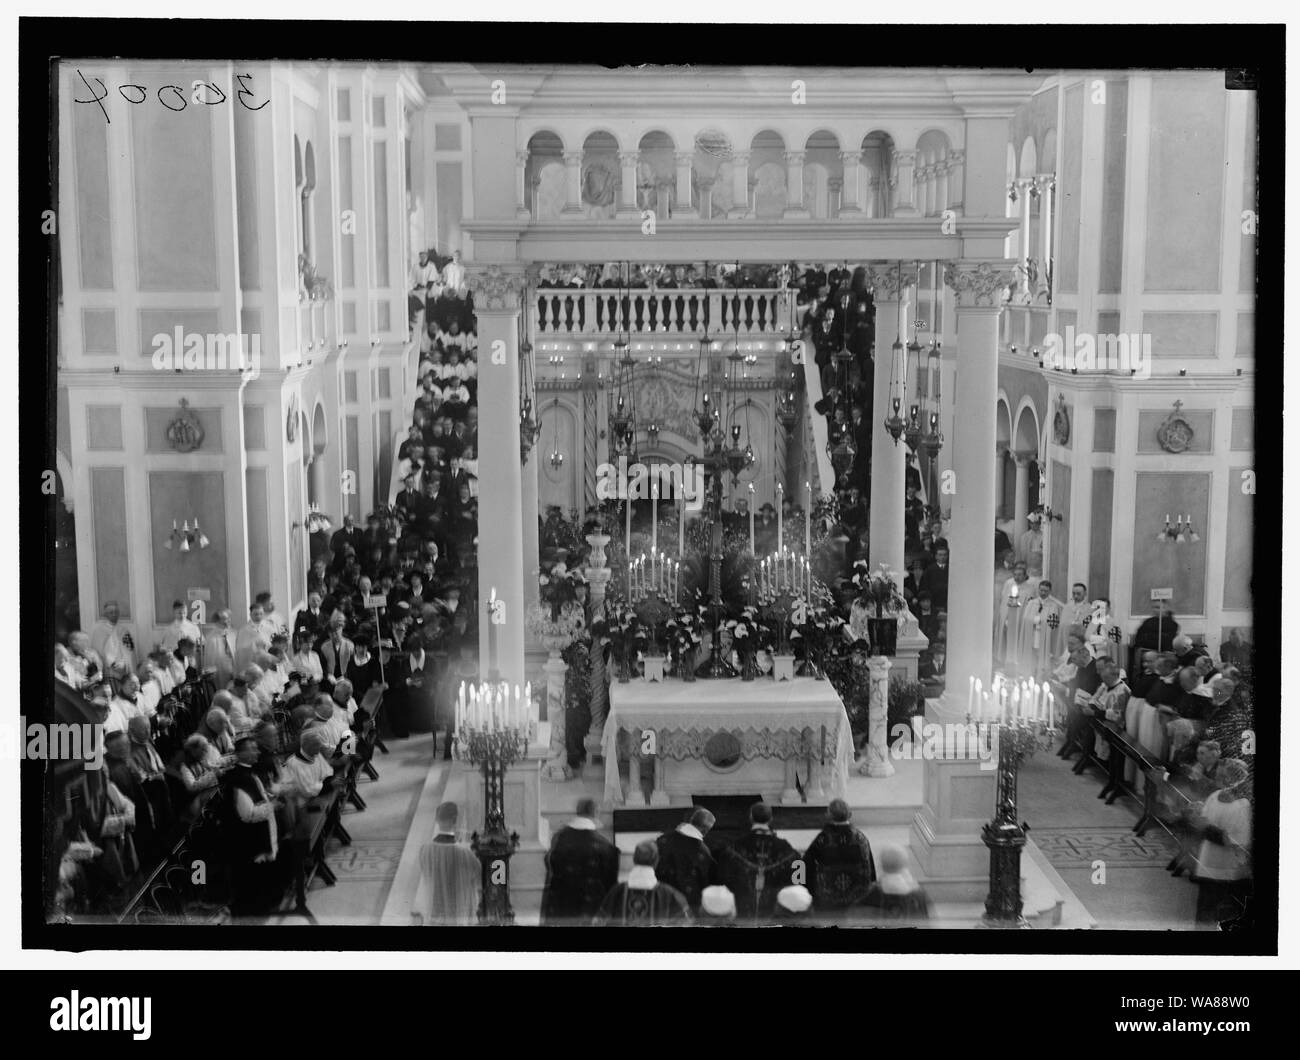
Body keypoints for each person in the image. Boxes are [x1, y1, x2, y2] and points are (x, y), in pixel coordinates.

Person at [1189, 758, 1252, 926]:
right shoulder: (1215, 796)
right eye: (1217, 774)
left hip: (1224, 869)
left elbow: (1237, 841)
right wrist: (1195, 813)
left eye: (1221, 776)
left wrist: (1205, 826)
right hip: (1206, 862)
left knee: (1213, 913)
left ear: (1233, 779)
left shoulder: (1242, 805)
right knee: (1202, 912)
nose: (1217, 779)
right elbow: (1203, 820)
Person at [716, 801, 800, 923]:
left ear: (751, 817)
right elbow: (799, 875)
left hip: (742, 908)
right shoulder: (786, 848)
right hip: (775, 908)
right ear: (771, 819)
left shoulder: (735, 847)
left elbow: (722, 877)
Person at [541, 797, 619, 925]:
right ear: (595, 813)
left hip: (561, 909)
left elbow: (550, 866)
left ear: (577, 811)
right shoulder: (606, 847)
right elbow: (610, 888)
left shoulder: (558, 838)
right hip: (590, 911)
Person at [802, 798, 877, 916]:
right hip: (856, 901)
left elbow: (805, 865)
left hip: (827, 902)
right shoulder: (861, 838)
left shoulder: (822, 840)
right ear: (850, 815)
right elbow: (870, 871)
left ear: (828, 815)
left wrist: (801, 889)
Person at [593, 841, 691, 926]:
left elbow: (597, 923)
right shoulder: (671, 895)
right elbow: (687, 923)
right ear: (656, 861)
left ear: (634, 859)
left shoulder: (616, 892)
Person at [419, 801, 480, 926]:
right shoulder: (465, 853)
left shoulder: (424, 850)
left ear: (437, 819)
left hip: (435, 912)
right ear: (455, 820)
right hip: (457, 914)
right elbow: (478, 877)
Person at [653, 808, 716, 912]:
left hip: (661, 902)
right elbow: (706, 886)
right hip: (688, 910)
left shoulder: (662, 840)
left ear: (691, 821)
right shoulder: (703, 852)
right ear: (705, 830)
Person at [863, 844, 931, 922]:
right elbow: (925, 922)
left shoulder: (871, 893)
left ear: (881, 866)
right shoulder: (918, 895)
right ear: (904, 866)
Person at [89, 601, 137, 683]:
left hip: (123, 670)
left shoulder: (124, 631)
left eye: (116, 612)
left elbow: (130, 651)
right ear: (106, 614)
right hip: (109, 671)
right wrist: (112, 664)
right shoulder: (99, 632)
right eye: (111, 612)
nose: (114, 614)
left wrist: (125, 663)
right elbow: (97, 653)